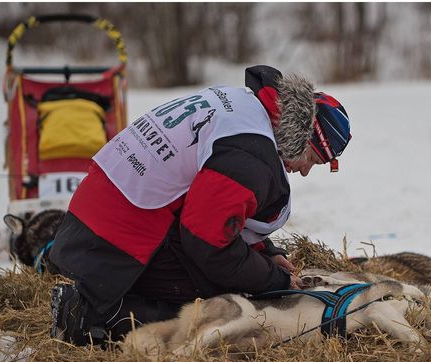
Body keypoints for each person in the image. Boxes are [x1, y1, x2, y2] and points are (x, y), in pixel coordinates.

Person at [48, 65, 352, 345]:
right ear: (302, 136)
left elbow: (212, 205)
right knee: (223, 299)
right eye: (313, 159)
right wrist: (272, 281)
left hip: (96, 215)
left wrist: (264, 253)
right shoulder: (252, 155)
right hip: (119, 236)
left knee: (230, 268)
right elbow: (208, 243)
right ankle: (92, 317)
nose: (305, 170)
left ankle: (107, 298)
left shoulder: (246, 106)